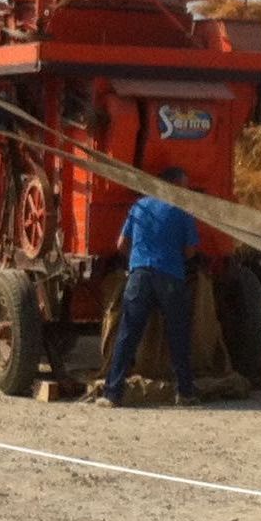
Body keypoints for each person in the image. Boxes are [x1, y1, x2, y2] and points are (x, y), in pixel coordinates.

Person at [99, 166, 201, 407]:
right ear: (174, 186)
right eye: (184, 187)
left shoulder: (139, 207)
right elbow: (190, 251)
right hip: (170, 278)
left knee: (128, 334)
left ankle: (112, 393)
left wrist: (138, 258)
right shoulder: (183, 212)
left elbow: (121, 244)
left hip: (139, 276)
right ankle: (185, 392)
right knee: (178, 335)